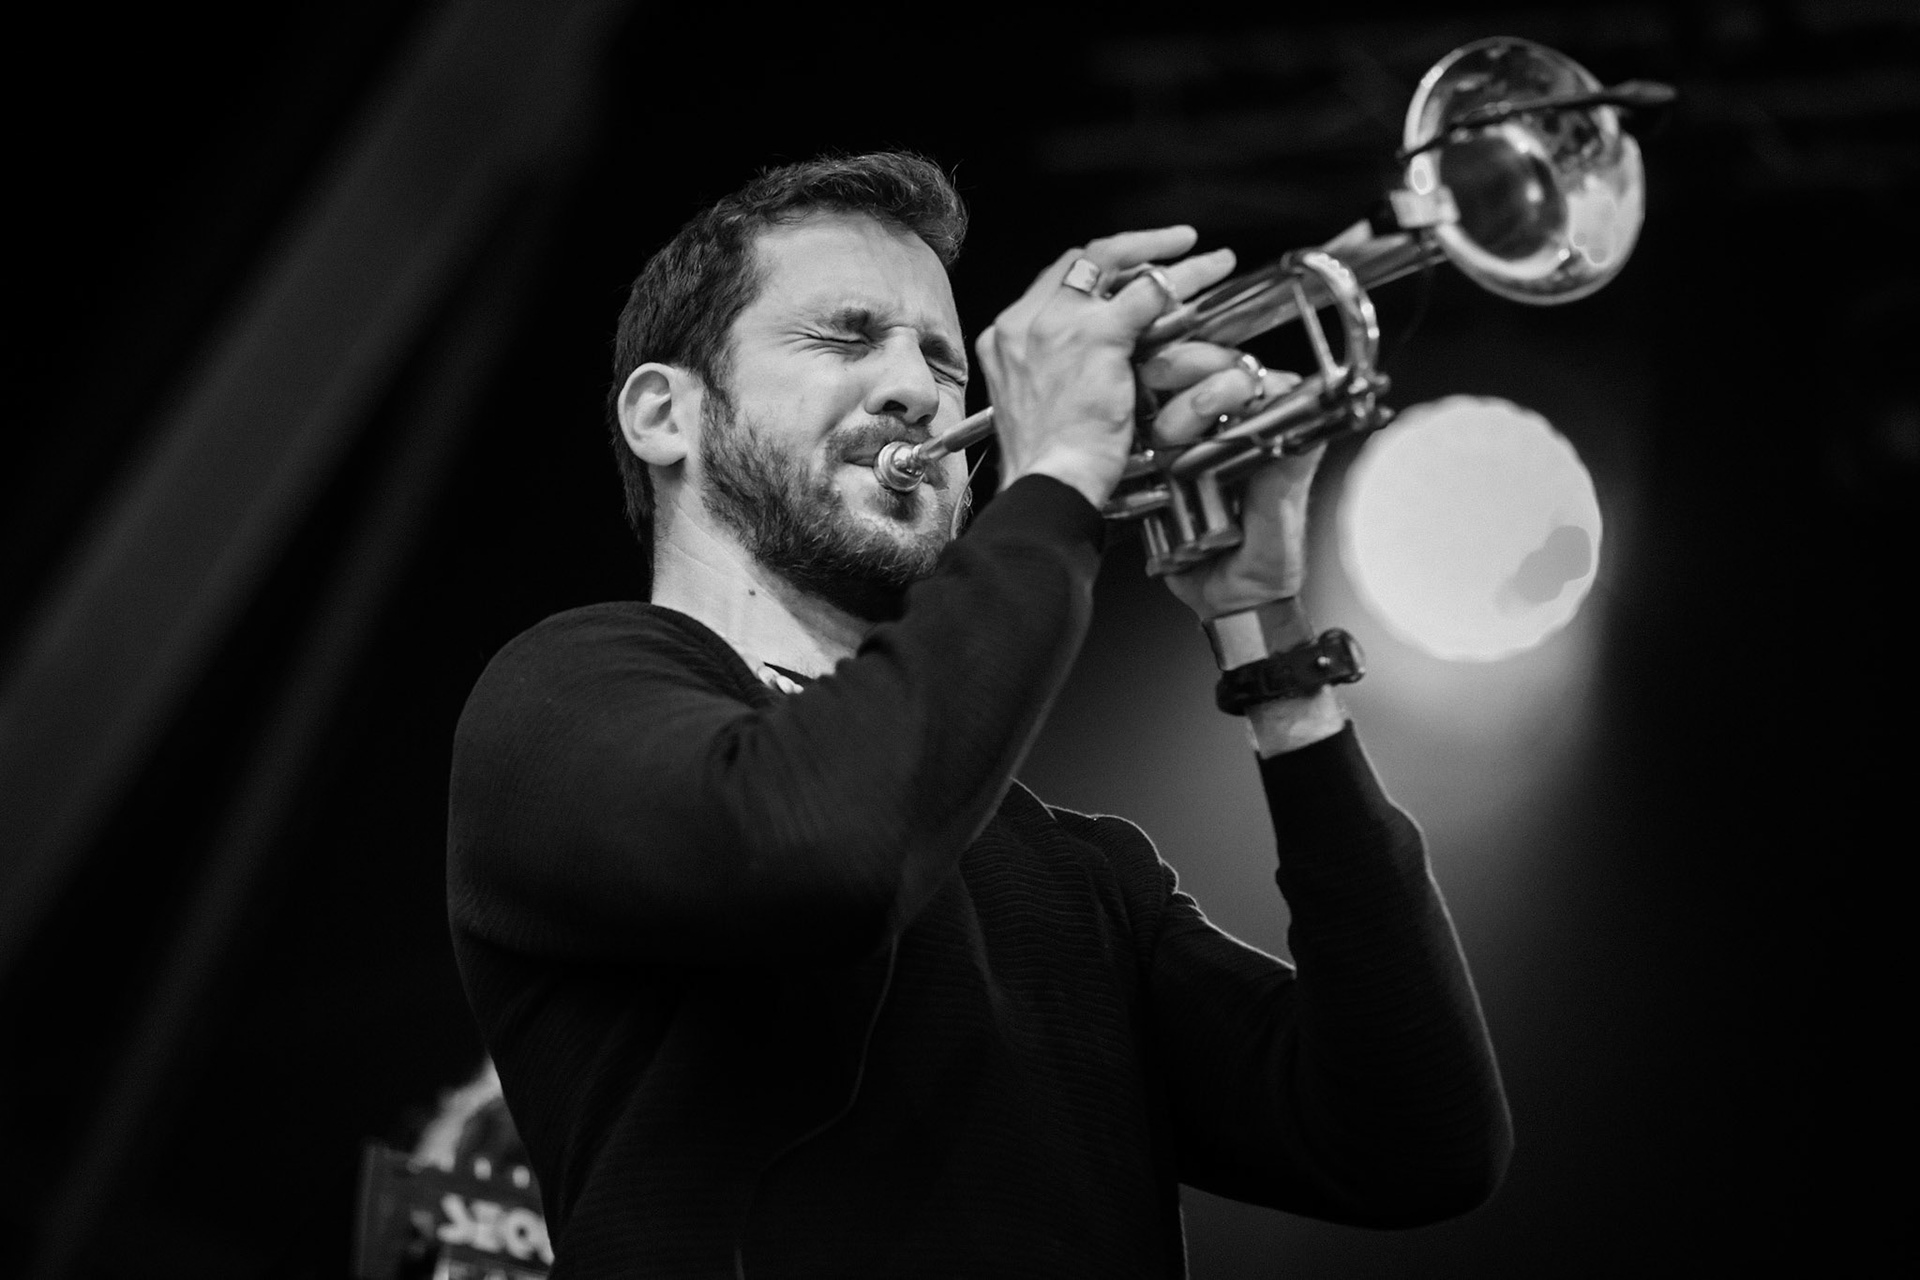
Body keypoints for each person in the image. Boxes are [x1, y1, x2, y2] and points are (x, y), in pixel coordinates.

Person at [447, 151, 1511, 1278]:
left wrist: (1272, 641)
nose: (917, 389)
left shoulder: (1083, 876)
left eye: (947, 364)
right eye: (846, 337)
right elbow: (822, 845)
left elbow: (1419, 1142)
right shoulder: (563, 693)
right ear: (667, 413)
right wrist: (1058, 474)